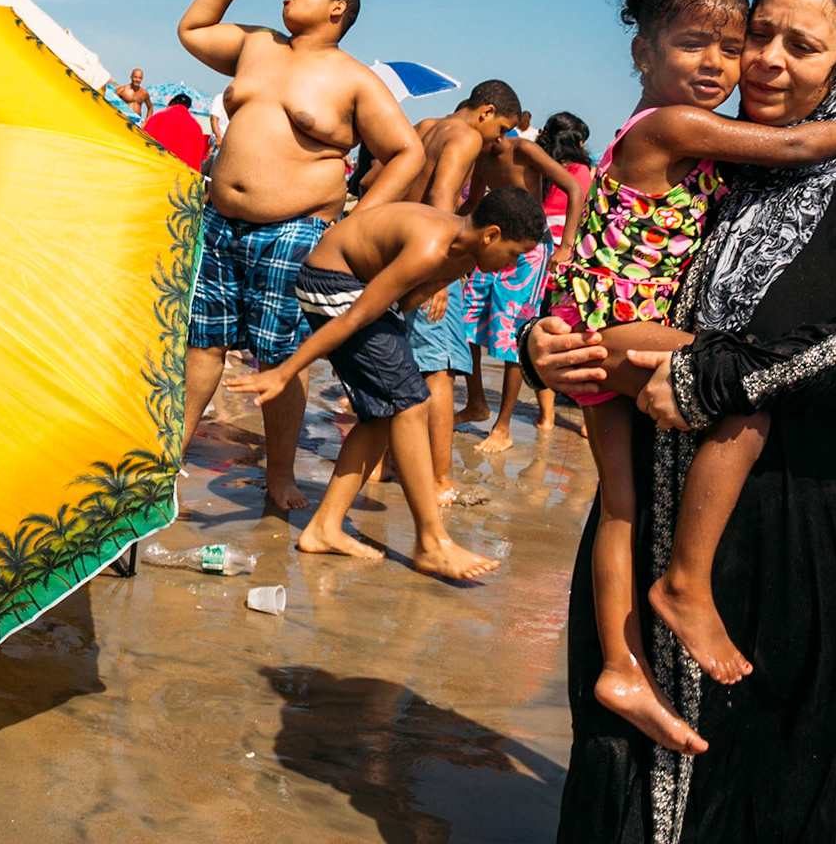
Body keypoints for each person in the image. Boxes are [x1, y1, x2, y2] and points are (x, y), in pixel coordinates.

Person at [529, 0, 836, 843]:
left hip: (792, 531)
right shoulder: (706, 164)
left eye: (803, 45)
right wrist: (546, 346)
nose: (766, 60)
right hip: (641, 511)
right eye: (761, 33)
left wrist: (715, 374)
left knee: (760, 770)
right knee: (616, 768)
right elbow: (602, 271)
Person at [177, 0, 425, 511]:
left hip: (293, 231)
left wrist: (357, 222)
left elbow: (405, 151)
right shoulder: (257, 45)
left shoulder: (353, 78)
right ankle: (169, 461)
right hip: (219, 224)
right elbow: (191, 29)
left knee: (278, 357)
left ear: (338, 9)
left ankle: (280, 474)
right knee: (201, 346)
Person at [228, 188, 546, 578]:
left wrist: (385, 360)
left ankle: (325, 527)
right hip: (329, 282)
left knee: (383, 410)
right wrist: (285, 369)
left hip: (361, 292)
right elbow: (355, 318)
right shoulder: (431, 245)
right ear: (491, 235)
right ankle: (431, 543)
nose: (514, 265)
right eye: (515, 253)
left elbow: (407, 301)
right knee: (410, 402)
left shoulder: (465, 257)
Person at [400, 81, 522, 498]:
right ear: (485, 112)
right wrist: (439, 275)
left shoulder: (425, 125)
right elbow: (440, 197)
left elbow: (378, 180)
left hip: (400, 250)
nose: (500, 139)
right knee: (439, 371)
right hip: (430, 258)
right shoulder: (467, 135)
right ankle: (439, 478)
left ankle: (384, 465)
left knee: (404, 363)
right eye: (502, 128)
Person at [463, 122, 589, 453]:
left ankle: (503, 428)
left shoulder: (524, 150)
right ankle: (477, 401)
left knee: (510, 336)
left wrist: (565, 246)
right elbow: (472, 203)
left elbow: (575, 190)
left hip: (530, 251)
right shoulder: (479, 156)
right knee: (467, 323)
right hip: (490, 243)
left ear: (499, 125)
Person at [528, 112, 596, 433]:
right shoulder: (582, 171)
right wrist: (568, 247)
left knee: (540, 328)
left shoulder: (540, 166)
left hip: (539, 251)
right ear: (577, 141)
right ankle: (585, 417)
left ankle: (547, 416)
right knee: (573, 330)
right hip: (570, 252)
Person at [141, 93, 208, 172]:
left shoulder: (159, 117)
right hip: (181, 177)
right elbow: (197, 158)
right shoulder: (197, 128)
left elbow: (143, 142)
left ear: (170, 104)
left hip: (156, 171)